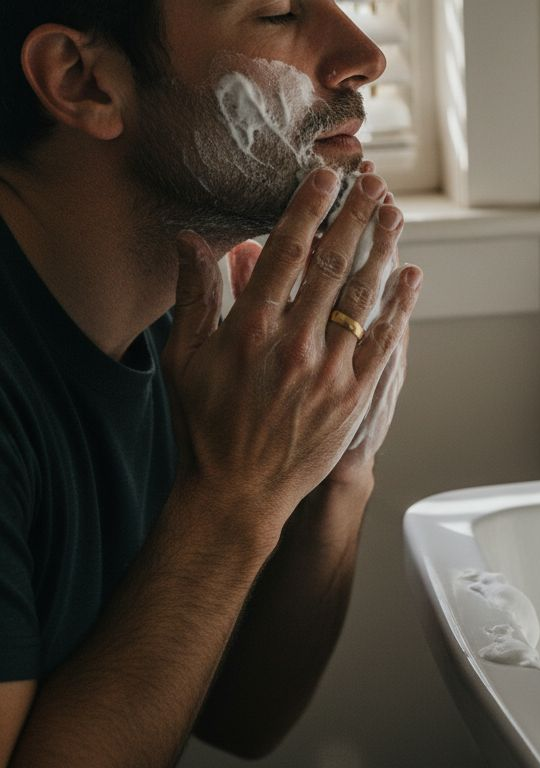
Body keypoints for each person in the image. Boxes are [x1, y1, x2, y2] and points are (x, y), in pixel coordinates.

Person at [0, 1, 422, 764]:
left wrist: (329, 472)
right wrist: (236, 495)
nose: (366, 56)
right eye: (277, 12)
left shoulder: (181, 324)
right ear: (82, 80)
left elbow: (240, 719)